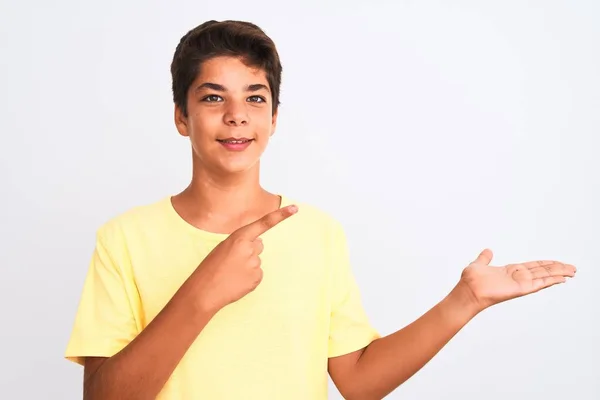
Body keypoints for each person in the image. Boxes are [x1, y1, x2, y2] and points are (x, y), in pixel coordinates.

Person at [64, 20, 577, 400]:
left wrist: (462, 301)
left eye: (256, 98)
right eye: (213, 98)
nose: (237, 115)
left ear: (274, 117)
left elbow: (357, 380)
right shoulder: (124, 239)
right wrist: (201, 294)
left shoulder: (317, 233)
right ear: (181, 116)